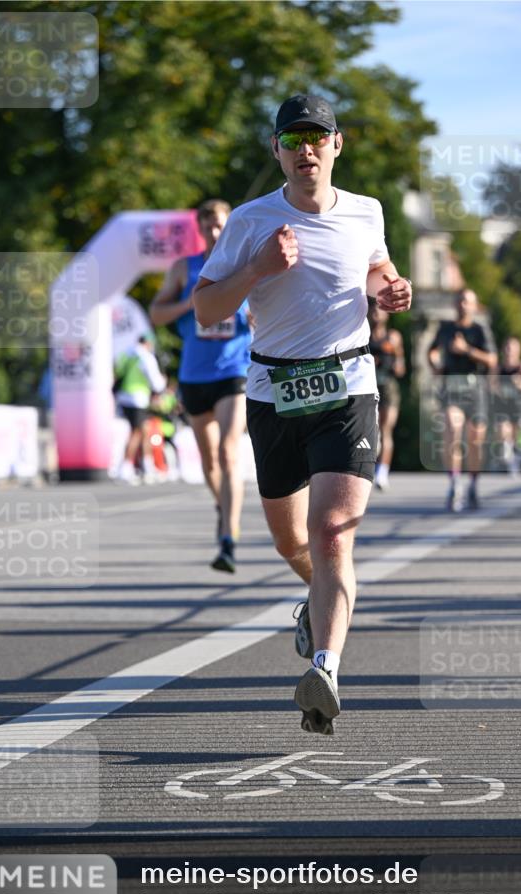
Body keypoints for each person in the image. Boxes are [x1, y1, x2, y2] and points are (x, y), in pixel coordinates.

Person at [193, 94, 412, 735]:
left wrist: (391, 289)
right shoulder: (249, 222)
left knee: (332, 531)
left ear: (336, 146)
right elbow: (207, 311)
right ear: (278, 150)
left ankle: (325, 667)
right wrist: (259, 268)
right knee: (294, 540)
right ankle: (321, 604)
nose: (305, 148)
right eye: (293, 138)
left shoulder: (366, 212)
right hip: (273, 391)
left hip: (347, 386)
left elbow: (375, 269)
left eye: (317, 137)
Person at [150, 200, 252, 572]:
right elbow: (156, 313)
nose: (214, 232)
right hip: (194, 374)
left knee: (228, 453)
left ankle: (229, 538)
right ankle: (224, 506)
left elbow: (265, 308)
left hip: (233, 372)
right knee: (209, 461)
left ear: (229, 226)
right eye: (208, 226)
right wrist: (190, 304)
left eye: (220, 225)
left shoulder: (243, 265)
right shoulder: (184, 268)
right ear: (200, 229)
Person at [427, 289, 497, 510]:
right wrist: (434, 364)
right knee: (452, 428)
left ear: (474, 306)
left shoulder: (479, 331)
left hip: (475, 390)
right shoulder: (446, 328)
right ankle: (454, 484)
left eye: (467, 301)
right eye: (460, 300)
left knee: (475, 442)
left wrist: (467, 350)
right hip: (452, 389)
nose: (463, 305)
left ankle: (473, 485)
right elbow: (432, 351)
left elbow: (492, 360)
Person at [114, 331, 167, 484]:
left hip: (124, 397)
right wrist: (161, 387)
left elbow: (117, 372)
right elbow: (156, 382)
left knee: (144, 431)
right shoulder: (145, 356)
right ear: (148, 343)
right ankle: (127, 468)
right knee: (137, 432)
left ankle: (147, 466)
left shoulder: (126, 354)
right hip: (138, 398)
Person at [368, 299, 405, 490]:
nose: (376, 312)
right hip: (368, 386)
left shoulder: (393, 337)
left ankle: (382, 473)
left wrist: (390, 359)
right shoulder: (363, 336)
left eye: (380, 308)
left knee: (385, 430)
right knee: (371, 432)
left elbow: (401, 368)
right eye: (373, 308)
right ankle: (369, 469)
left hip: (388, 387)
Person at [492, 336, 521, 476]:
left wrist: (520, 384)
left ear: (518, 350)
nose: (509, 351)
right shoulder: (498, 368)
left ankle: (518, 461)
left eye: (512, 348)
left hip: (520, 407)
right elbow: (491, 385)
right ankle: (506, 458)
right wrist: (499, 389)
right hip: (503, 406)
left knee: (518, 438)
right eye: (507, 348)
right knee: (503, 430)